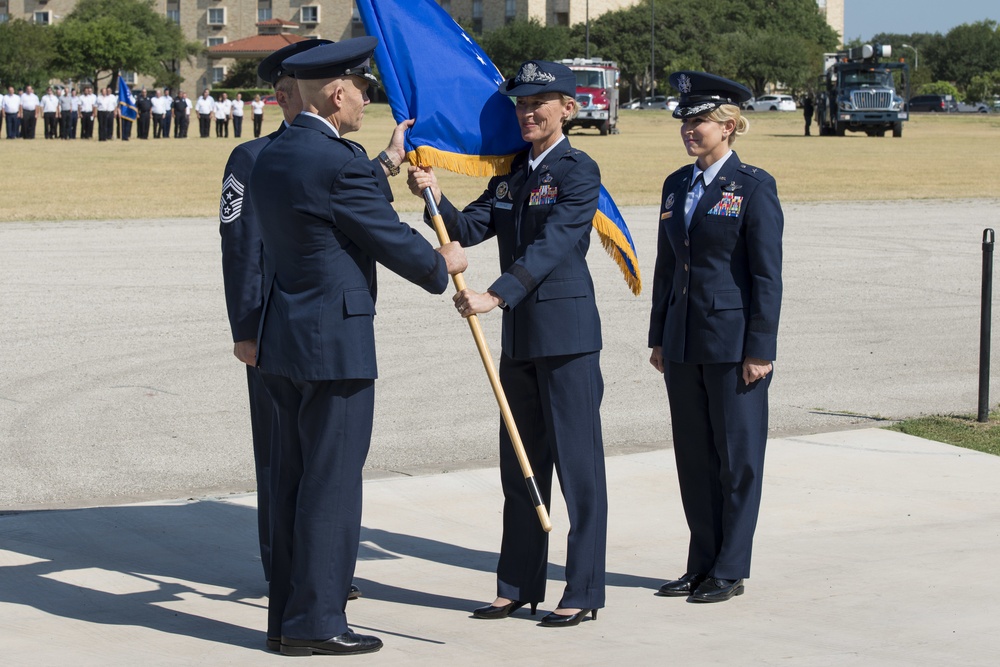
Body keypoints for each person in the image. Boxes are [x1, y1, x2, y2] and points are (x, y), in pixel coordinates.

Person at [250, 37, 467, 656]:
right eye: (362, 93)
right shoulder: (339, 162)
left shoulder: (273, 154)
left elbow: (332, 196)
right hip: (334, 343)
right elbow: (383, 232)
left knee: (293, 481)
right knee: (333, 483)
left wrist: (385, 163)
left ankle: (287, 621)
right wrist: (439, 261)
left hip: (284, 337)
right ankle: (320, 623)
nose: (365, 103)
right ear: (339, 93)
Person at [407, 59, 607, 628]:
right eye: (519, 104)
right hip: (521, 338)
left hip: (566, 338)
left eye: (538, 102)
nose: (526, 112)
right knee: (520, 464)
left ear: (567, 107)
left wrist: (496, 293)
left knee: (578, 467)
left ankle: (584, 589)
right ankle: (518, 584)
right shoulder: (514, 175)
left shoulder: (578, 169)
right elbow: (469, 228)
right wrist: (433, 196)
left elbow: (556, 245)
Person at [648, 71, 783, 604]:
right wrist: (659, 335)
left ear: (729, 125)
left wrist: (760, 350)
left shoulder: (752, 186)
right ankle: (700, 561)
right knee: (695, 457)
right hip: (682, 342)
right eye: (685, 120)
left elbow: (766, 276)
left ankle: (730, 567)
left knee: (737, 458)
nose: (689, 129)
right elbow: (666, 267)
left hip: (733, 345)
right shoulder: (677, 184)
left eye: (700, 120)